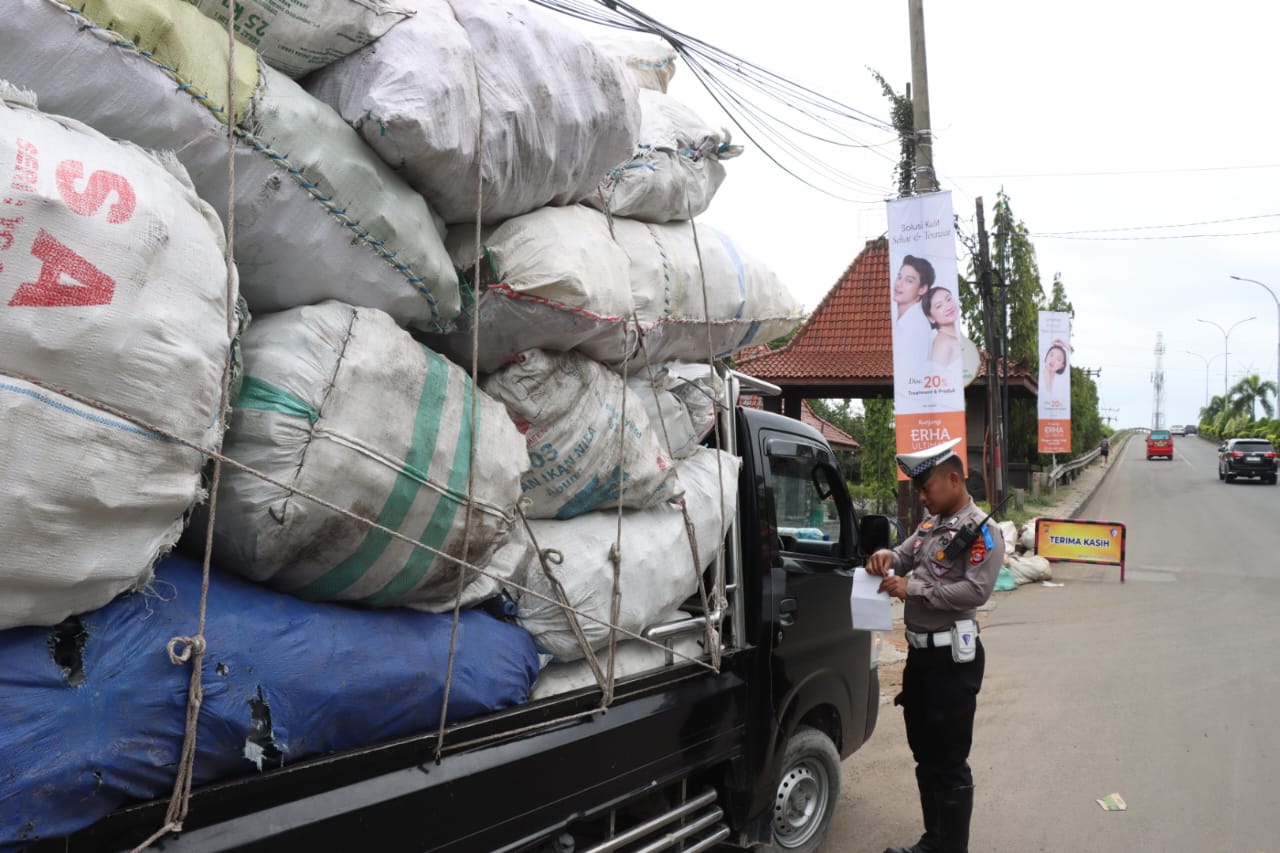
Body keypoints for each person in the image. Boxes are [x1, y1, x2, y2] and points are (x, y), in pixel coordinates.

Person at [866, 438, 1004, 853]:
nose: (922, 497)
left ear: (954, 479)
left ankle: (950, 848)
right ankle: (934, 841)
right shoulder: (931, 526)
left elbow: (976, 591)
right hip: (921, 657)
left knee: (949, 759)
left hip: (951, 660)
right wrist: (885, 556)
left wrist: (913, 589)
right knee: (925, 754)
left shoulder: (983, 530)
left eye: (926, 488)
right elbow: (904, 556)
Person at [893, 256, 936, 369]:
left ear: (922, 289)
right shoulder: (907, 320)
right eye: (899, 277)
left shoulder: (916, 325)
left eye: (909, 281)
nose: (898, 284)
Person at [921, 286, 961, 370]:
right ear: (931, 318)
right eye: (939, 306)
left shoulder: (952, 337)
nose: (948, 307)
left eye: (949, 299)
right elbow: (938, 374)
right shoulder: (942, 344)